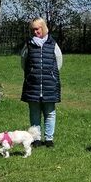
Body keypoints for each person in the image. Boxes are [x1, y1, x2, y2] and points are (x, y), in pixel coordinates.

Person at [20, 17, 62, 148]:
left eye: (37, 28)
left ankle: (49, 139)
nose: (35, 31)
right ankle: (36, 138)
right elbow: (23, 62)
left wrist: (51, 75)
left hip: (50, 84)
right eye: (32, 29)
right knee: (34, 112)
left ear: (43, 28)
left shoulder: (53, 44)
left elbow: (59, 61)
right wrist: (32, 73)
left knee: (50, 112)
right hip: (33, 84)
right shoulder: (28, 44)